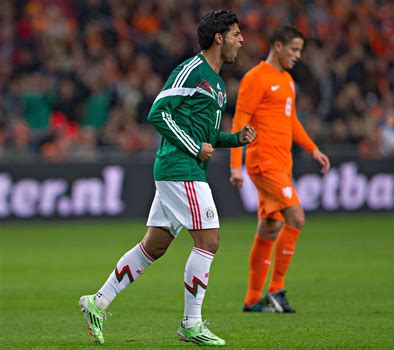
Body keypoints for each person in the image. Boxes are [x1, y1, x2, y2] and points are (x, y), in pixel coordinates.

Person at [79, 10, 255, 347]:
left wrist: (235, 139)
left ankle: (97, 303)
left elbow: (206, 135)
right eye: (236, 33)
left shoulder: (217, 83)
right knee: (209, 240)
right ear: (219, 37)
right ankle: (191, 323)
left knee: (154, 246)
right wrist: (193, 146)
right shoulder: (191, 70)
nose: (241, 40)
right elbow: (157, 113)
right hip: (179, 168)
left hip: (185, 168)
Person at [229, 25, 330, 313]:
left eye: (300, 50)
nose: (298, 55)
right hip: (264, 163)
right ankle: (276, 290)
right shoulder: (256, 78)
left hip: (282, 164)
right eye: (293, 49)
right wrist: (236, 166)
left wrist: (313, 149)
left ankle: (252, 300)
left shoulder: (287, 81)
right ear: (277, 46)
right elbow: (240, 122)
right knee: (296, 217)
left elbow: (291, 121)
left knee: (271, 226)